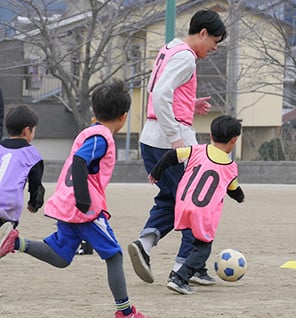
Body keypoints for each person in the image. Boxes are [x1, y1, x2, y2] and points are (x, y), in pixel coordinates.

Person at [0, 79, 146, 318]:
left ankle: (16, 242)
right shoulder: (101, 137)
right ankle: (126, 312)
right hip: (83, 208)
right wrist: (83, 200)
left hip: (65, 204)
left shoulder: (88, 132)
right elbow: (80, 162)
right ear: (123, 116)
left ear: (94, 112)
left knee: (61, 256)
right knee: (114, 255)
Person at [128, 9, 227, 286]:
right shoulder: (186, 57)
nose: (214, 49)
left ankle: (148, 245)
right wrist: (175, 140)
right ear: (203, 33)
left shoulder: (170, 48)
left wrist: (189, 104)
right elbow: (161, 94)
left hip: (151, 139)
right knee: (194, 202)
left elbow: (156, 88)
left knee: (173, 199)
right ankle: (185, 266)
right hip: (169, 142)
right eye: (214, 42)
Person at [148, 115, 245, 294]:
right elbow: (234, 190)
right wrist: (241, 197)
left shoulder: (196, 150)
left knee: (192, 238)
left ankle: (198, 270)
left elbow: (171, 155)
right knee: (203, 247)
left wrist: (157, 172)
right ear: (234, 140)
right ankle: (179, 277)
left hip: (183, 204)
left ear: (210, 135)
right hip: (203, 213)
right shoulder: (230, 166)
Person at [0, 105, 45, 228]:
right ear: (26, 131)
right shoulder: (33, 156)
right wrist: (34, 204)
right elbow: (35, 186)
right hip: (8, 206)